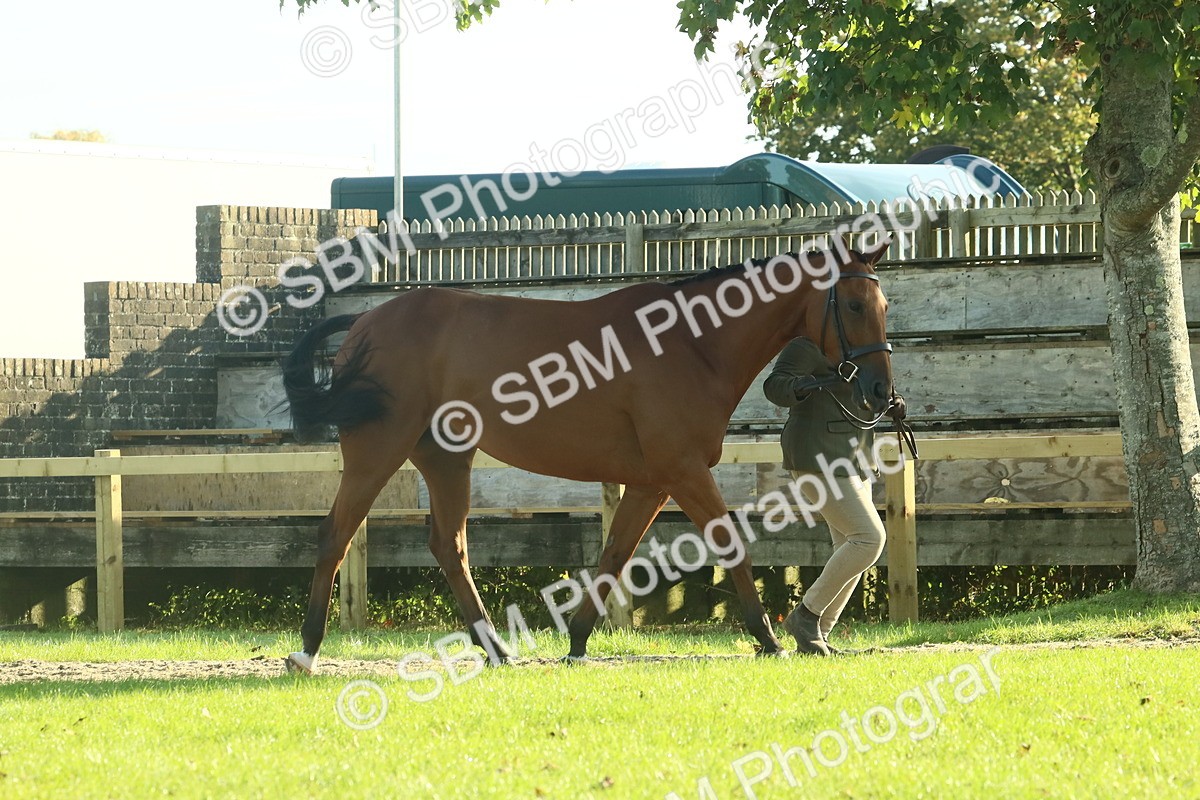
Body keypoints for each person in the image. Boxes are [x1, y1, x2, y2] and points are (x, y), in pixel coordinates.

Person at [763, 337, 907, 656]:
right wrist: (806, 384)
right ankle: (806, 616)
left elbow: (875, 392)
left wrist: (893, 402)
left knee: (849, 545)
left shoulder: (865, 347)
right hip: (815, 454)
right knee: (869, 539)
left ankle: (817, 636)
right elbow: (774, 386)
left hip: (856, 457)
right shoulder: (806, 346)